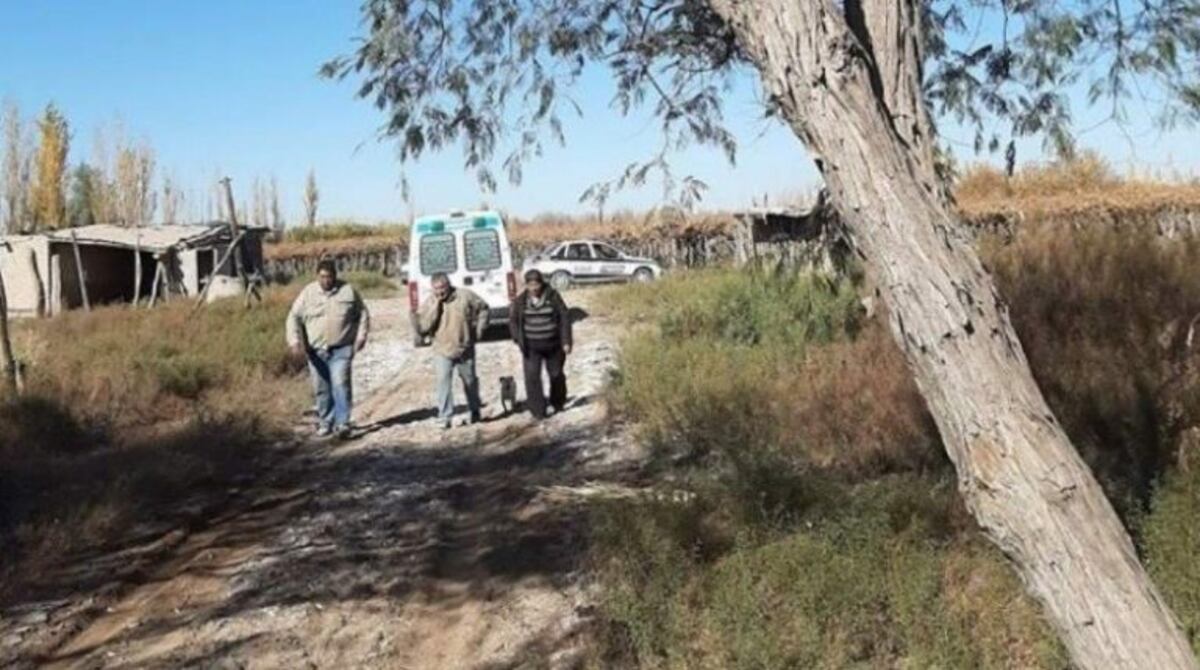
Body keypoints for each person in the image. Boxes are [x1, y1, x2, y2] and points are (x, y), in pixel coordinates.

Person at [286, 259, 370, 439]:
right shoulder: (308, 293)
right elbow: (293, 317)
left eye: (329, 277)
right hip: (316, 350)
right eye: (322, 277)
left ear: (335, 276)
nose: (326, 280)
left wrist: (361, 336)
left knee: (340, 384)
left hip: (342, 348)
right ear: (317, 276)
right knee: (322, 388)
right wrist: (294, 341)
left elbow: (362, 313)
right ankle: (326, 421)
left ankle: (343, 423)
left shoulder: (348, 291)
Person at [416, 272, 489, 429]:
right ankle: (445, 416)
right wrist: (436, 306)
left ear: (448, 285)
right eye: (436, 289)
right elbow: (423, 326)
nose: (440, 292)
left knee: (470, 381)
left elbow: (483, 308)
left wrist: (480, 329)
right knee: (443, 383)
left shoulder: (464, 295)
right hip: (442, 349)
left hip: (465, 347)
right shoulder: (430, 302)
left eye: (442, 287)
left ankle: (475, 410)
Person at [509, 269, 573, 420]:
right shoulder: (521, 301)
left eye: (536, 285)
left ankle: (557, 402)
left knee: (556, 374)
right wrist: (517, 338)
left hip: (553, 345)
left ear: (541, 283)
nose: (534, 289)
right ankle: (538, 410)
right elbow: (513, 320)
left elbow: (564, 318)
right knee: (532, 377)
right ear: (526, 285)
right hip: (531, 347)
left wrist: (566, 341)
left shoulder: (553, 296)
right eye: (530, 285)